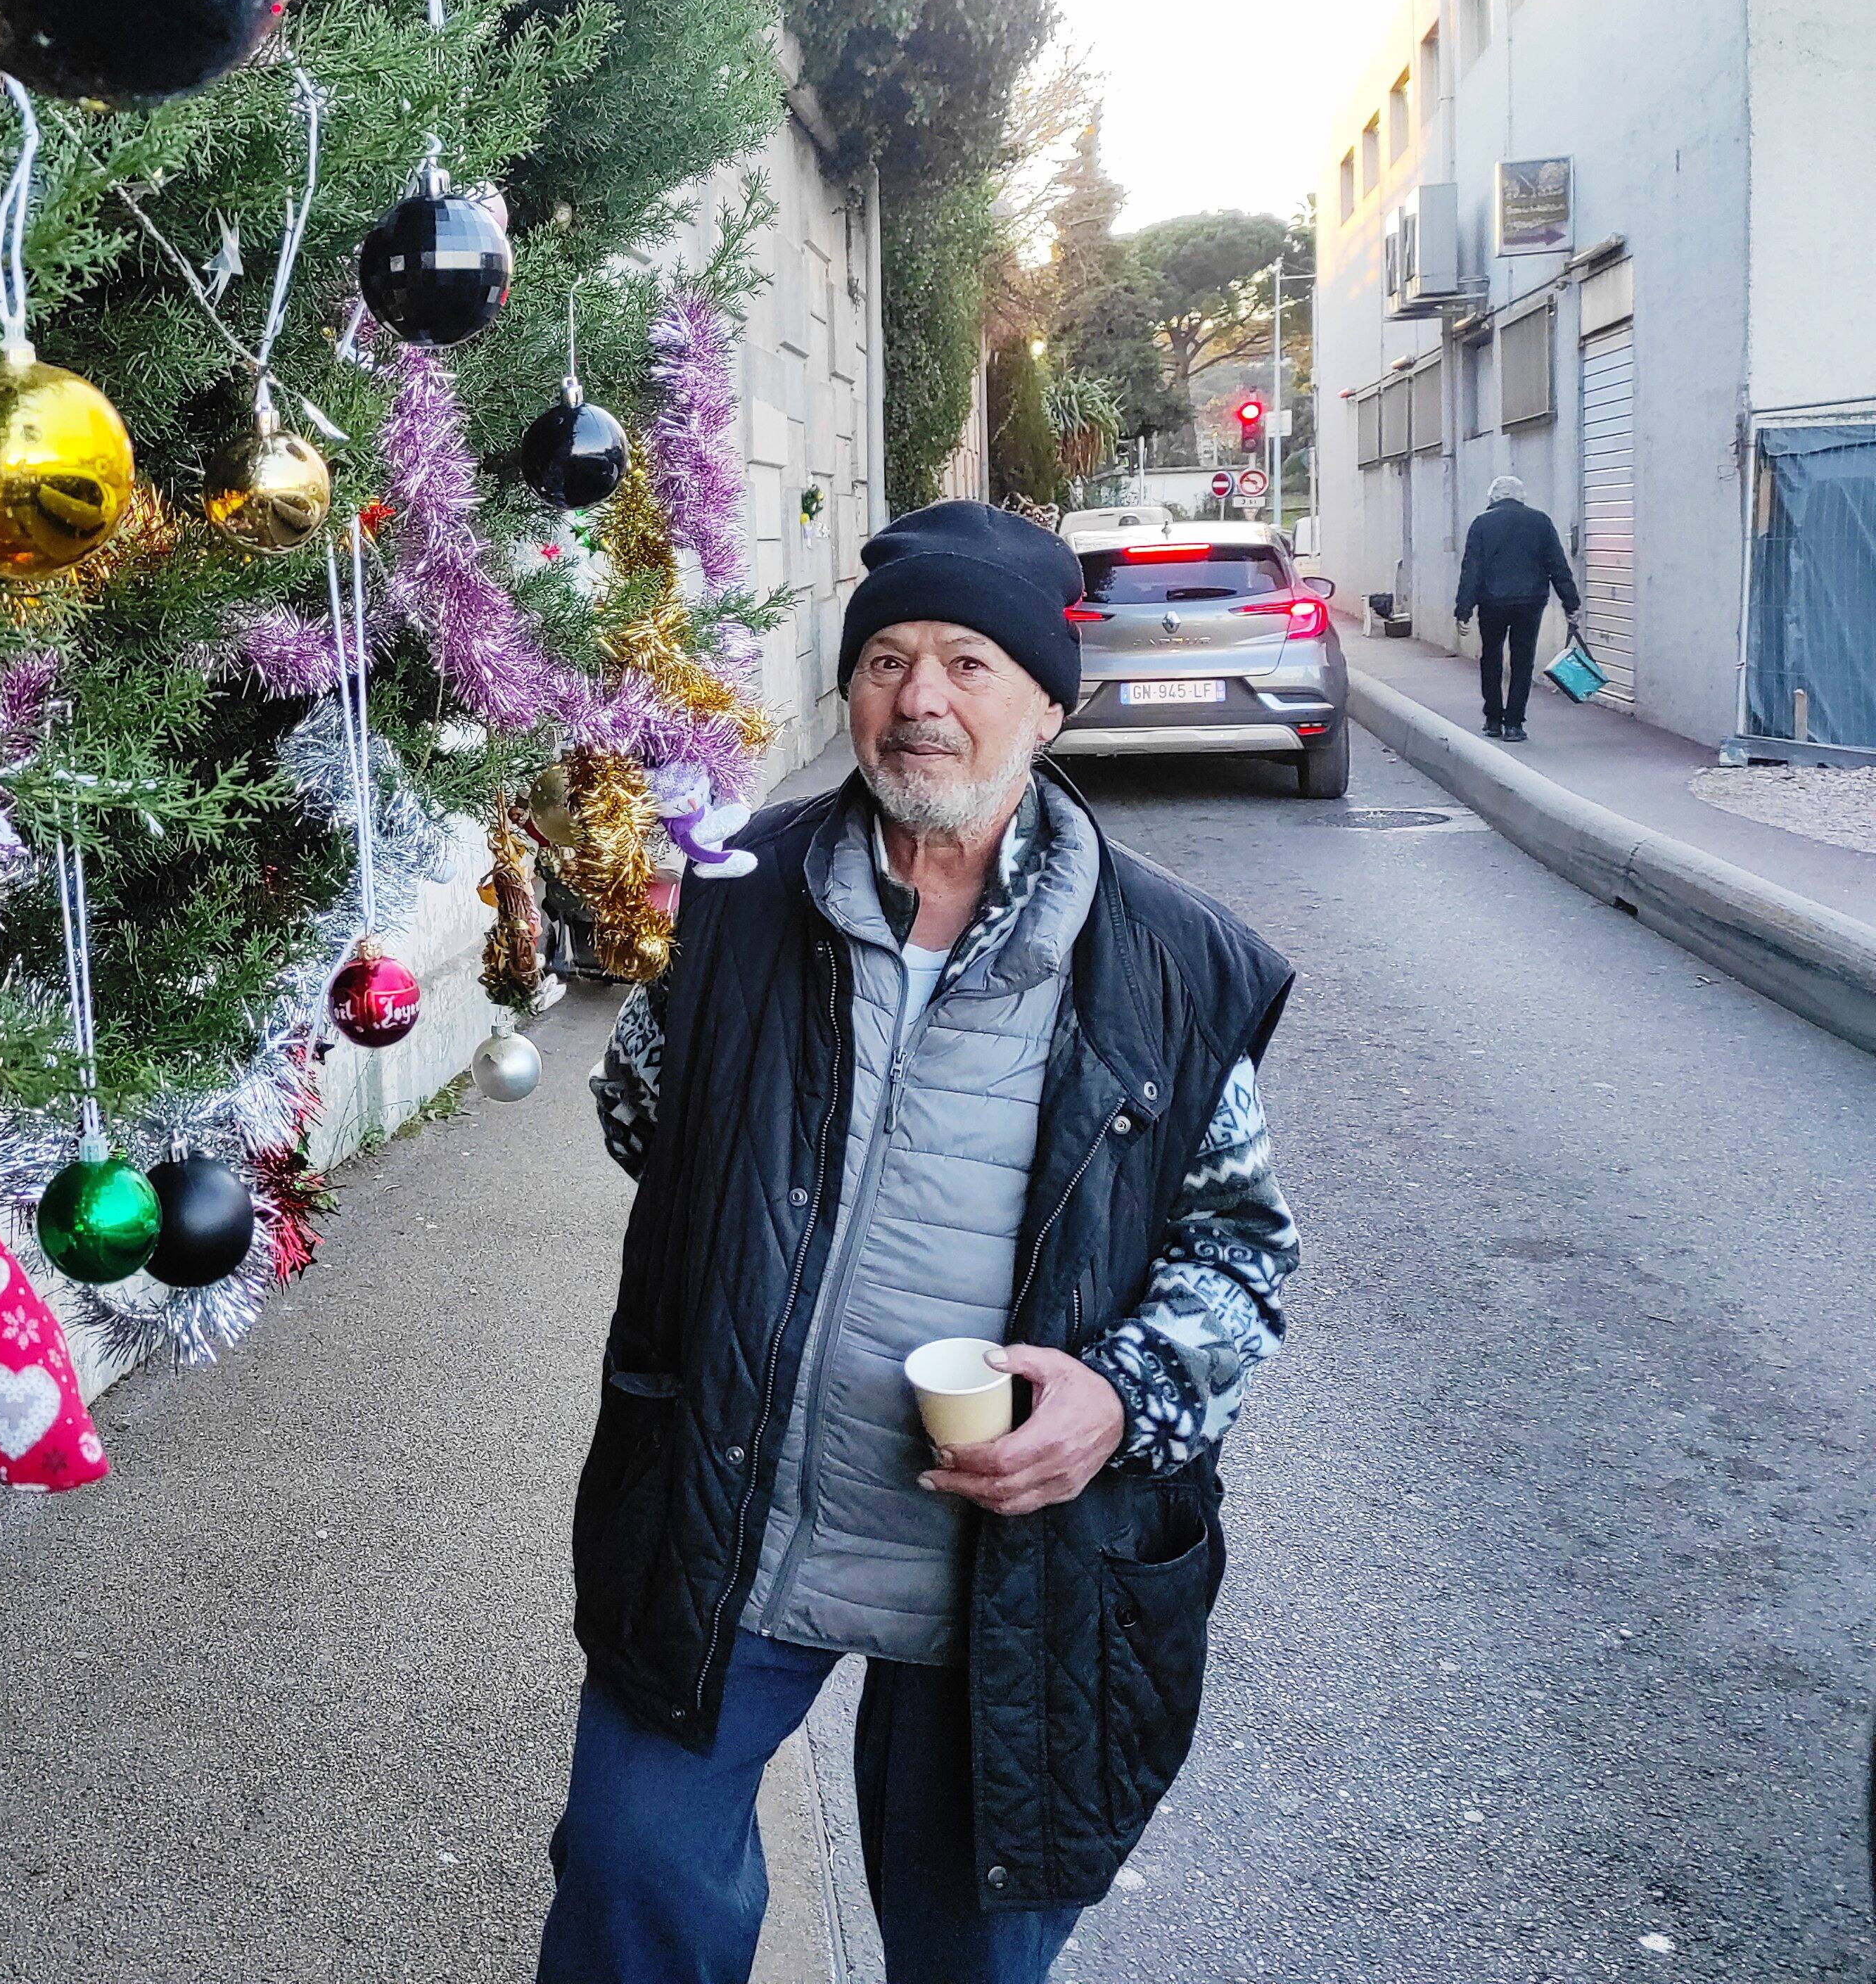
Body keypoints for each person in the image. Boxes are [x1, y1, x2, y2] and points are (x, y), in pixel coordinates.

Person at [541, 501, 1302, 1984]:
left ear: (1045, 699)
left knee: (971, 1948)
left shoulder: (1174, 964)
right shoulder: (736, 898)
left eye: (968, 660)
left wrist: (1118, 1397)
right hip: (730, 1507)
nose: (921, 699)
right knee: (632, 1886)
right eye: (886, 659)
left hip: (1015, 1560)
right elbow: (641, 1114)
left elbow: (1238, 1254)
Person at [1454, 474, 1582, 742]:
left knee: (1491, 657)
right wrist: (1571, 603)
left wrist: (1463, 610)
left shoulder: (1481, 524)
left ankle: (1492, 719)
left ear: (1493, 498)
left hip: (1491, 602)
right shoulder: (1540, 522)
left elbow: (1471, 570)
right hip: (1530, 602)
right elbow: (1557, 566)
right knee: (1523, 660)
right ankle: (1514, 724)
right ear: (1521, 497)